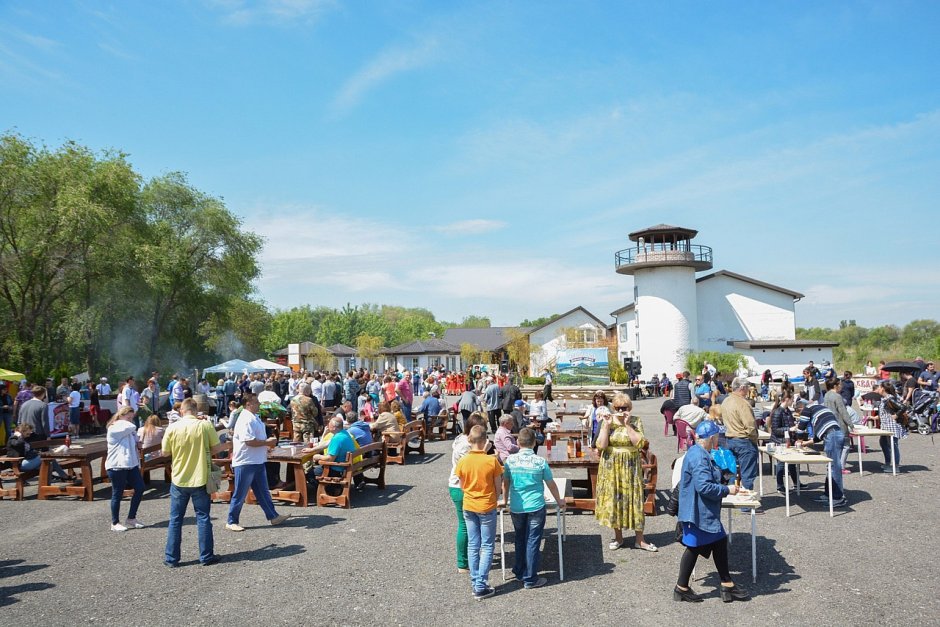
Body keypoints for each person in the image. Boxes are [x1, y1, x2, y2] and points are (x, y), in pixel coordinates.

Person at [673, 420, 750, 603]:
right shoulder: (700, 456)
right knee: (698, 546)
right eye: (716, 436)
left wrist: (723, 482)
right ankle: (684, 588)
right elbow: (704, 487)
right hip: (698, 511)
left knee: (714, 542)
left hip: (697, 510)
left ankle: (725, 584)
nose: (718, 439)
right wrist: (727, 490)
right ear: (711, 437)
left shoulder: (697, 451)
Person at [161, 398, 224, 567]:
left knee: (175, 519)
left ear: (182, 411)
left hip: (179, 479)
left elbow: (165, 453)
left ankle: (171, 558)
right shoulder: (204, 425)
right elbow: (217, 448)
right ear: (196, 410)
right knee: (203, 518)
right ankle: (206, 556)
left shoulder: (172, 427)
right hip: (200, 477)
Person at [502, 427, 564, 589]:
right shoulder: (540, 462)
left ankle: (519, 570)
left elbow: (506, 482)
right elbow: (551, 484)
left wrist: (505, 499)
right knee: (532, 540)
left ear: (518, 442)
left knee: (519, 538)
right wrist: (559, 501)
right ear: (534, 443)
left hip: (516, 505)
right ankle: (530, 578)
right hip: (536, 505)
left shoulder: (510, 461)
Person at [594, 393, 656, 552]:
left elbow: (639, 444)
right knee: (614, 500)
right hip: (611, 467)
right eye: (618, 408)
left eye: (625, 408)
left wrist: (628, 425)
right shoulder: (608, 421)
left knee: (634, 499)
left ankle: (640, 540)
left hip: (630, 466)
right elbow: (601, 445)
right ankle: (619, 537)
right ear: (613, 408)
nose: (621, 410)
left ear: (630, 408)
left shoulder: (636, 421)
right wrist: (606, 426)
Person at [225, 394, 290, 532]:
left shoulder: (253, 417)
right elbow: (249, 441)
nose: (259, 405)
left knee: (263, 491)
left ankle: (273, 516)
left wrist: (266, 445)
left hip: (257, 460)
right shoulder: (245, 419)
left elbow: (255, 439)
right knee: (240, 493)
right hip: (246, 461)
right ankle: (231, 520)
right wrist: (267, 443)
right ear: (248, 404)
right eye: (256, 402)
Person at [454, 425, 503, 600]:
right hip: (486, 504)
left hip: (469, 504)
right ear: (485, 442)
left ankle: (476, 582)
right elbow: (498, 485)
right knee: (487, 545)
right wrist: (495, 498)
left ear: (469, 440)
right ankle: (480, 584)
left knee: (473, 545)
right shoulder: (491, 461)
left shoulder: (463, 461)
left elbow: (461, 484)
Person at [448, 413, 489, 575]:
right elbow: (473, 467)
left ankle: (469, 559)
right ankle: (463, 562)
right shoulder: (466, 446)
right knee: (465, 525)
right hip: (462, 486)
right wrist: (485, 454)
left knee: (470, 525)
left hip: (458, 484)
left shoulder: (461, 439)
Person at [793, 398, 847, 506]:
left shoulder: (807, 408)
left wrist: (798, 439)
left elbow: (801, 427)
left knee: (834, 466)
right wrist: (806, 443)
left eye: (799, 414)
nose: (800, 416)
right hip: (834, 434)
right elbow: (819, 436)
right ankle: (828, 494)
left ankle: (838, 497)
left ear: (800, 408)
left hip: (833, 436)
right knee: (831, 466)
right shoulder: (820, 408)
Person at [105, 406, 146, 532]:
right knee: (117, 493)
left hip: (130, 464)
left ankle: (131, 518)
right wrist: (131, 425)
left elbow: (135, 436)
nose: (130, 420)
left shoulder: (126, 428)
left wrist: (137, 442)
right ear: (121, 416)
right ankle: (115, 522)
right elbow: (133, 427)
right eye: (128, 417)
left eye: (131, 418)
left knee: (140, 488)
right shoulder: (114, 428)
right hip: (117, 465)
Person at [720, 378, 759, 491]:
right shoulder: (742, 403)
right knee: (747, 474)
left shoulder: (726, 401)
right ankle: (746, 505)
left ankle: (733, 497)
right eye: (747, 388)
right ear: (742, 388)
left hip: (730, 439)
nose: (748, 391)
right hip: (744, 440)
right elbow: (750, 425)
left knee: (733, 472)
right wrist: (754, 438)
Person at [6, 423, 73, 482]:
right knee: (48, 457)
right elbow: (18, 444)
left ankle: (47, 485)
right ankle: (64, 476)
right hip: (18, 465)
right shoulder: (13, 438)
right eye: (27, 433)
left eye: (30, 433)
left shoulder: (24, 439)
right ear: (22, 432)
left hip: (27, 461)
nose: (29, 435)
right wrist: (19, 436)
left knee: (49, 463)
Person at [305, 416, 357, 485]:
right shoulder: (344, 433)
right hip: (344, 467)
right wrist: (312, 450)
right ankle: (332, 488)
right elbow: (327, 443)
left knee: (309, 475)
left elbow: (329, 459)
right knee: (314, 470)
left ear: (334, 427)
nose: (327, 425)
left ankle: (328, 490)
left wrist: (318, 457)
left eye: (329, 424)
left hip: (336, 469)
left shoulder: (337, 439)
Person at [769, 393, 800, 492]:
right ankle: (780, 485)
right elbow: (775, 429)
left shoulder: (787, 411)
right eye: (792, 399)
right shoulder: (778, 412)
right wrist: (790, 428)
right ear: (787, 399)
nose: (793, 402)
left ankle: (796, 483)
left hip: (787, 440)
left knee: (791, 463)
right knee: (781, 464)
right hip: (779, 441)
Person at [823, 378, 855, 474]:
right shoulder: (837, 396)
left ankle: (831, 465)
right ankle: (841, 466)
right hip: (839, 424)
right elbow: (843, 412)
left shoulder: (826, 395)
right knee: (845, 445)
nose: (841, 386)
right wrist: (851, 425)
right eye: (840, 385)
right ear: (835, 386)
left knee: (833, 446)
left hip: (829, 424)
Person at [877, 381, 906, 472]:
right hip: (885, 425)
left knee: (893, 445)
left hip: (891, 425)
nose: (878, 389)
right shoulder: (885, 399)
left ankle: (896, 467)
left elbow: (903, 407)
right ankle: (887, 463)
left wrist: (896, 415)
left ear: (883, 389)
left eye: (879, 387)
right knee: (883, 443)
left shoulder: (890, 399)